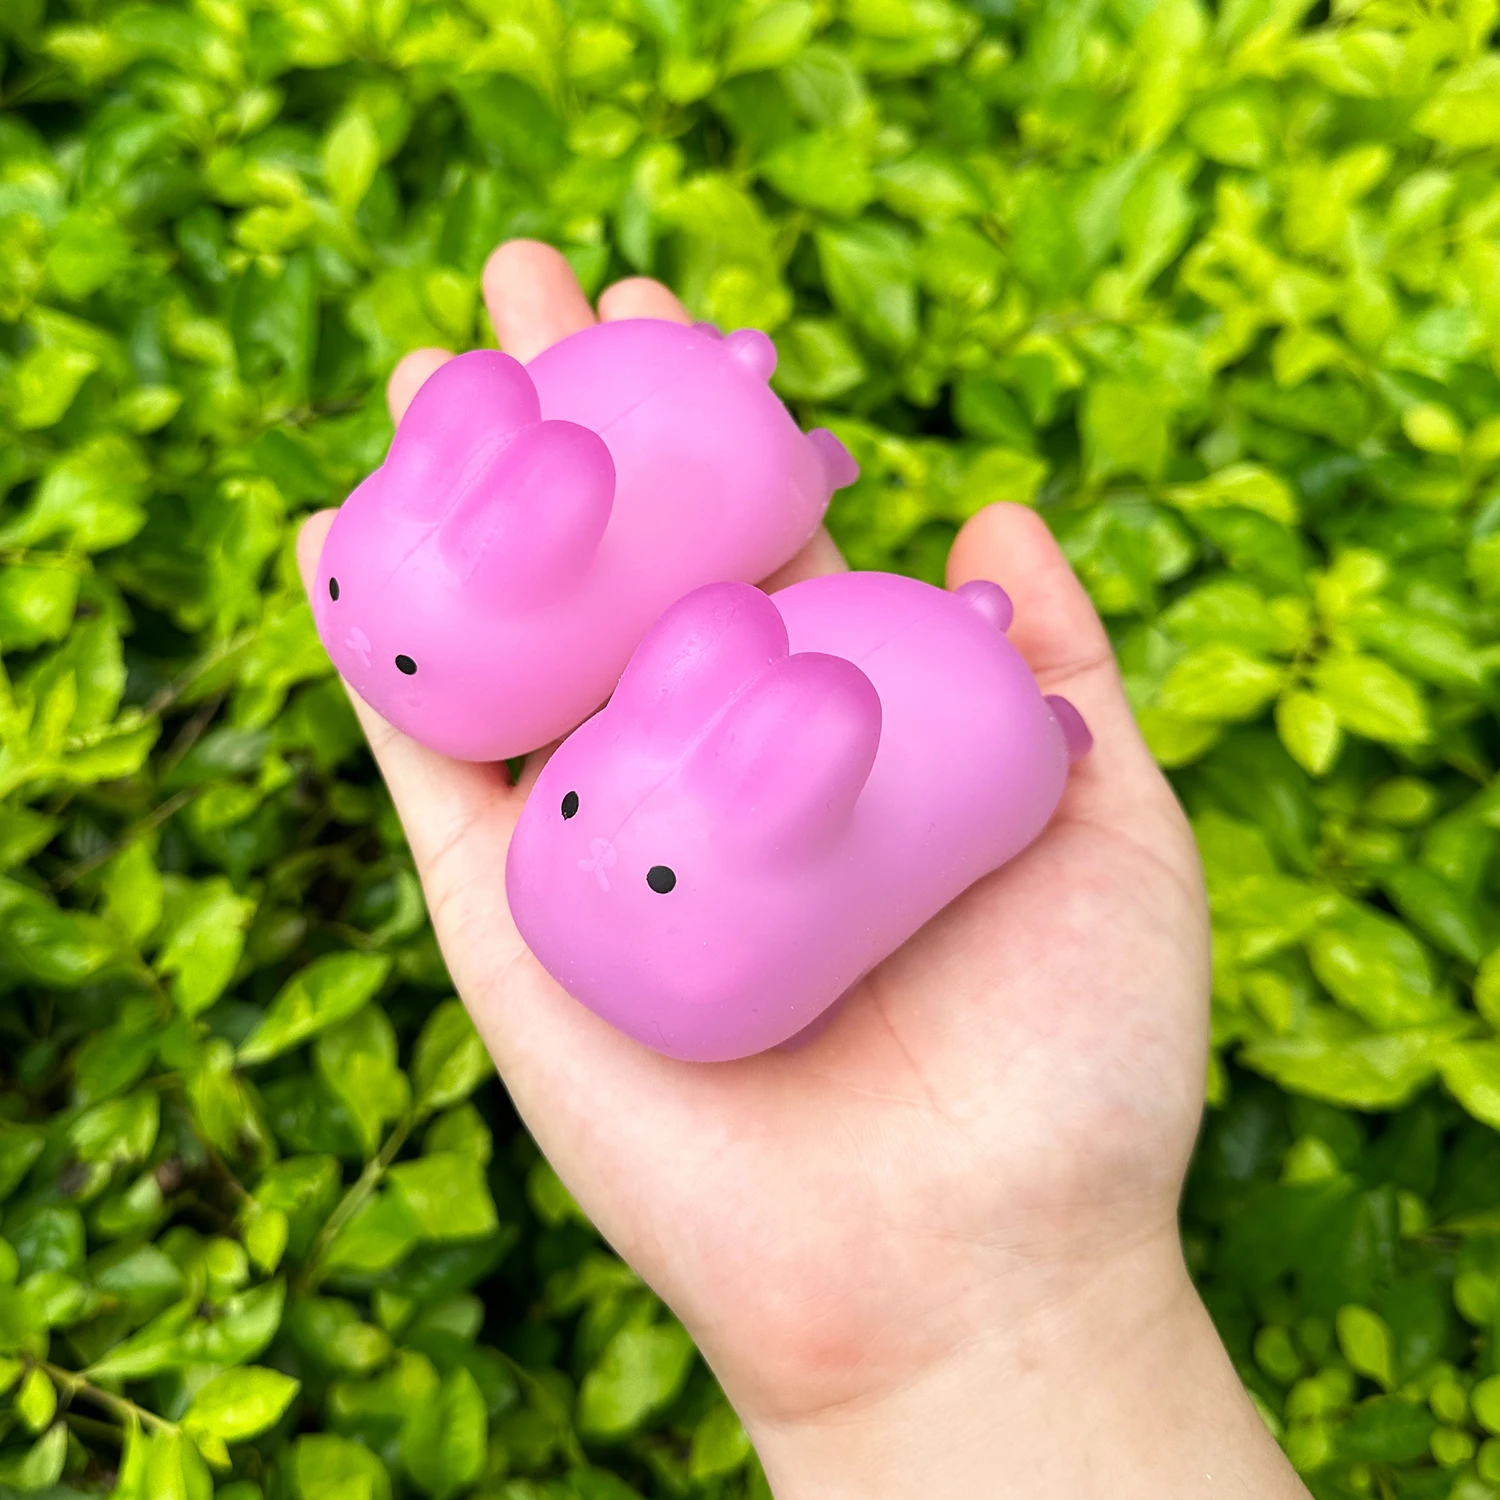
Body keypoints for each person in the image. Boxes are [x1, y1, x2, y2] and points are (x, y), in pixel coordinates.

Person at [296, 240, 1311, 1498]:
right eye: (565, 788)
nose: (590, 865)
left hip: (912, 685)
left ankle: (863, 547)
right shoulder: (652, 702)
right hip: (769, 586)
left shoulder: (907, 733)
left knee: (940, 724)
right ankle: (793, 477)